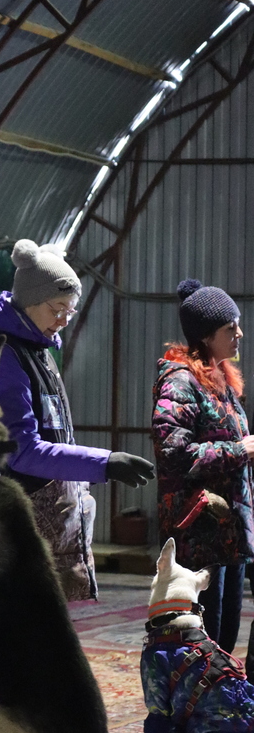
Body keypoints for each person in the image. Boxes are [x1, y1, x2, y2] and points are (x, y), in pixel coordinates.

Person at [0, 238, 154, 601]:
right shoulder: (4, 356)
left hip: (44, 520)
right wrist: (103, 463)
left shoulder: (36, 349)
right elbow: (22, 452)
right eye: (57, 309)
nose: (63, 320)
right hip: (16, 524)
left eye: (70, 311)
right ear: (30, 301)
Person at [152, 278, 254, 658]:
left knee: (223, 643)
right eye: (231, 327)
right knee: (200, 646)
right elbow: (173, 453)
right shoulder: (180, 383)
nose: (239, 334)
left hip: (227, 535)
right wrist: (239, 450)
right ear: (207, 335)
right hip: (199, 538)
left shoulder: (220, 381)